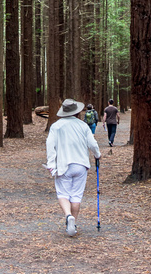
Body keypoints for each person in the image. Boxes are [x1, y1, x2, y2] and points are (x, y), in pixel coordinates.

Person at [46, 99, 101, 236]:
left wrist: (51, 164)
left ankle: (68, 216)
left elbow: (50, 145)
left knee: (63, 194)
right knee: (76, 195)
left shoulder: (56, 126)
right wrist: (97, 155)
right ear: (77, 112)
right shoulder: (83, 126)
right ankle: (73, 225)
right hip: (81, 165)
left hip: (63, 164)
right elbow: (92, 143)